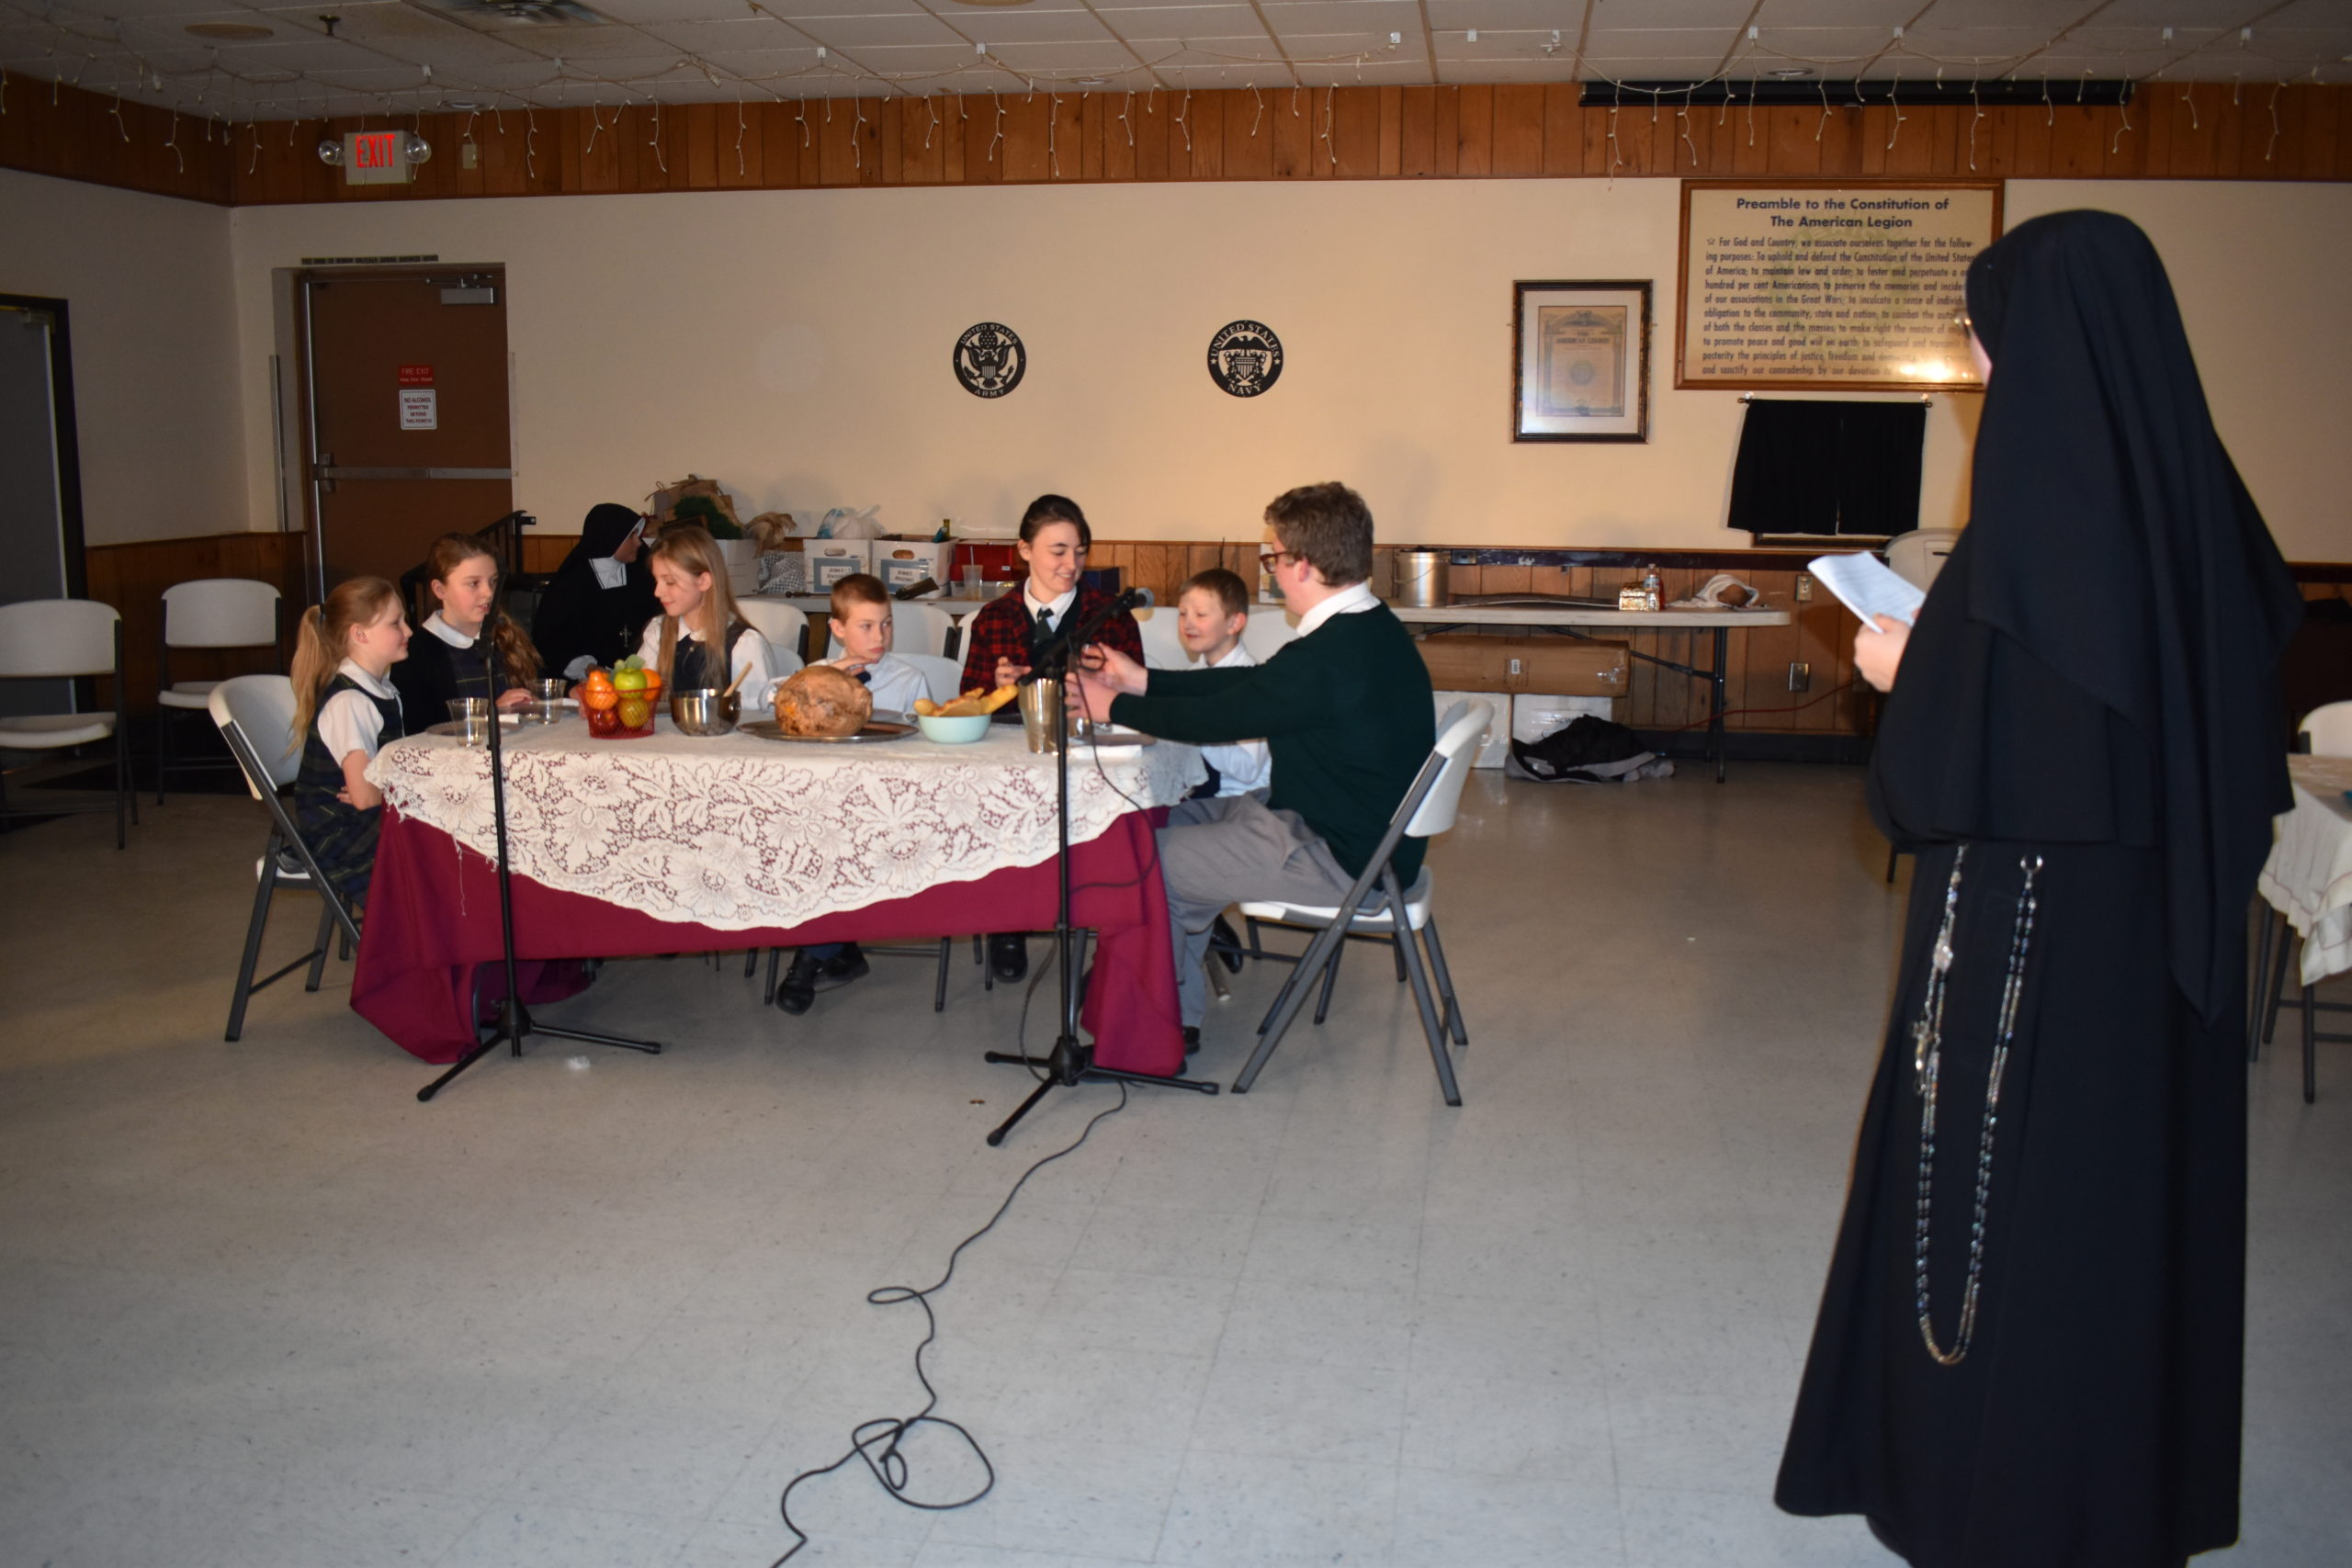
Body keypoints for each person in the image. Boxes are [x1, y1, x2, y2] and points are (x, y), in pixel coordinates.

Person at [1775, 211, 2303, 1568]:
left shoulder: (2034, 523)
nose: (1973, 361)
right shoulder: (2205, 514)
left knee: (2002, 1209)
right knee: (2123, 1207)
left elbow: (1961, 776)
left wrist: (1906, 678)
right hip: (2162, 939)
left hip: (2028, 931)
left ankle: (1987, 1486)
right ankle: (2120, 1485)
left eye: (1981, 332)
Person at [1074, 481, 1433, 1050]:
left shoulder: (1329, 656)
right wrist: (1142, 680)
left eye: (1275, 558)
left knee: (1143, 864)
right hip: (1347, 833)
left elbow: (1221, 716)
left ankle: (1154, 1034)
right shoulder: (1368, 626)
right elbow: (1256, 686)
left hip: (1339, 857)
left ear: (1303, 565)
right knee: (1150, 823)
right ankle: (1165, 992)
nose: (1274, 572)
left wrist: (1112, 705)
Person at [957, 493, 1145, 982]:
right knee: (998, 805)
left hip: (1087, 761)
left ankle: (1105, 919)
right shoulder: (994, 618)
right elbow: (967, 705)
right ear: (1024, 551)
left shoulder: (1111, 615)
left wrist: (1098, 679)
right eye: (1058, 551)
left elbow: (1137, 698)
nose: (1071, 564)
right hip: (1011, 764)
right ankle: (1008, 924)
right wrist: (996, 689)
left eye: (1079, 552)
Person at [773, 573, 930, 1016]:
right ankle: (839, 950)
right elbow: (769, 702)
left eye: (886, 624)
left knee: (834, 849)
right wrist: (815, 682)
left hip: (883, 807)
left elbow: (923, 752)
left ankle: (810, 959)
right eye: (866, 626)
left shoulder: (909, 679)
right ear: (838, 629)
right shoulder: (812, 676)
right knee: (801, 841)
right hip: (822, 802)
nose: (879, 636)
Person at [288, 576, 413, 908]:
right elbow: (365, 797)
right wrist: (404, 788)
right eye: (396, 623)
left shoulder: (382, 688)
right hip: (342, 834)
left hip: (366, 818)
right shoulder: (351, 701)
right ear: (359, 634)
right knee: (443, 846)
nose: (409, 630)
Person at [390, 533, 541, 734]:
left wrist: (533, 703)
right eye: (473, 583)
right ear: (440, 590)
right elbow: (421, 732)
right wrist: (490, 715)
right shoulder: (416, 654)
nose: (489, 593)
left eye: (493, 581)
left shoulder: (506, 635)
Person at [631, 525, 785, 706]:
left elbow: (755, 715)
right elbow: (637, 699)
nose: (657, 592)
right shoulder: (658, 631)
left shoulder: (744, 644)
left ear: (703, 581)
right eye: (656, 580)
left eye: (670, 582)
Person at [1172, 567, 1271, 800]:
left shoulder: (1253, 684)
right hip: (1197, 796)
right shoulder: (1191, 676)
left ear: (1234, 623)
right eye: (1183, 613)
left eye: (1200, 614)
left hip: (1241, 801)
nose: (1187, 623)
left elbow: (1247, 769)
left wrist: (1194, 726)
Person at [533, 502, 658, 681]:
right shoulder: (571, 583)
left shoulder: (642, 573)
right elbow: (550, 641)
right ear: (611, 537)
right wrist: (588, 668)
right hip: (587, 684)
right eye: (631, 536)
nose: (638, 542)